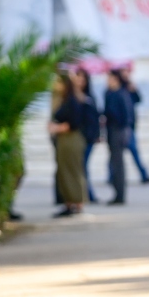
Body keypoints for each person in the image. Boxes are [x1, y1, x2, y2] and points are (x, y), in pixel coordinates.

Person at [48, 74, 87, 217]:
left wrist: (56, 128)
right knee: (65, 171)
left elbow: (74, 123)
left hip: (71, 139)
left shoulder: (72, 100)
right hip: (64, 140)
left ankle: (77, 202)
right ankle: (69, 202)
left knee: (73, 171)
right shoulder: (63, 99)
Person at [118, 67, 149, 184]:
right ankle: (113, 176)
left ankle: (144, 175)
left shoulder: (129, 87)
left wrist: (134, 89)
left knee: (133, 151)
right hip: (123, 127)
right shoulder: (118, 89)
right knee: (119, 153)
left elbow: (138, 99)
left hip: (130, 126)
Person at [103, 70, 131, 205]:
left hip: (118, 132)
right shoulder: (109, 93)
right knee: (114, 164)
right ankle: (117, 193)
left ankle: (120, 195)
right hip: (112, 132)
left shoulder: (120, 94)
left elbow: (124, 117)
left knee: (118, 165)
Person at [73, 68, 101, 203]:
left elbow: (95, 119)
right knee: (81, 166)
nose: (80, 82)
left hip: (87, 138)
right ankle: (86, 194)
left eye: (82, 79)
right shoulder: (73, 97)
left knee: (83, 166)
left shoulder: (89, 98)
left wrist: (96, 135)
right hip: (78, 137)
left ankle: (88, 195)